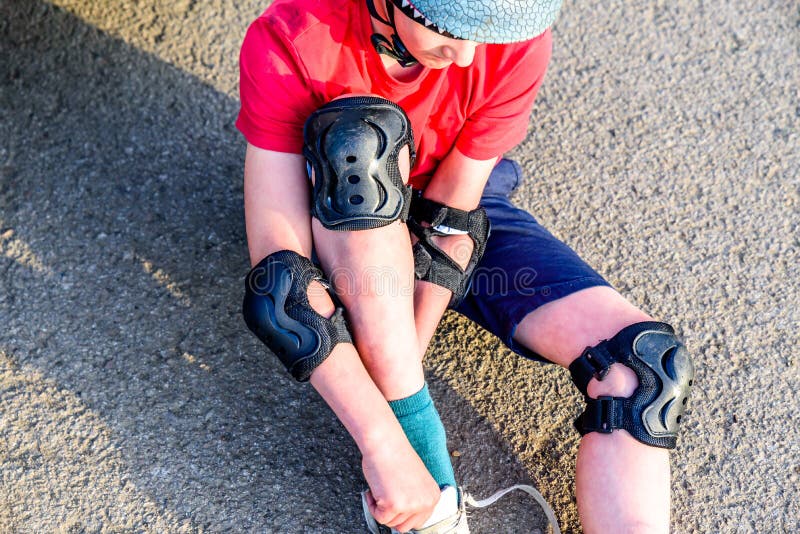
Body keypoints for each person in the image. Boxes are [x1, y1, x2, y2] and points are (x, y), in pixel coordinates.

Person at [237, 0, 695, 532]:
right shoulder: (291, 39)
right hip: (339, 213)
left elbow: (452, 219)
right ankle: (426, 502)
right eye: (454, 29)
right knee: (361, 145)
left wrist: (399, 388)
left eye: (488, 32)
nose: (468, 54)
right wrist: (384, 443)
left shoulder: (511, 34)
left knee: (645, 369)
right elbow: (280, 285)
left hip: (451, 209)